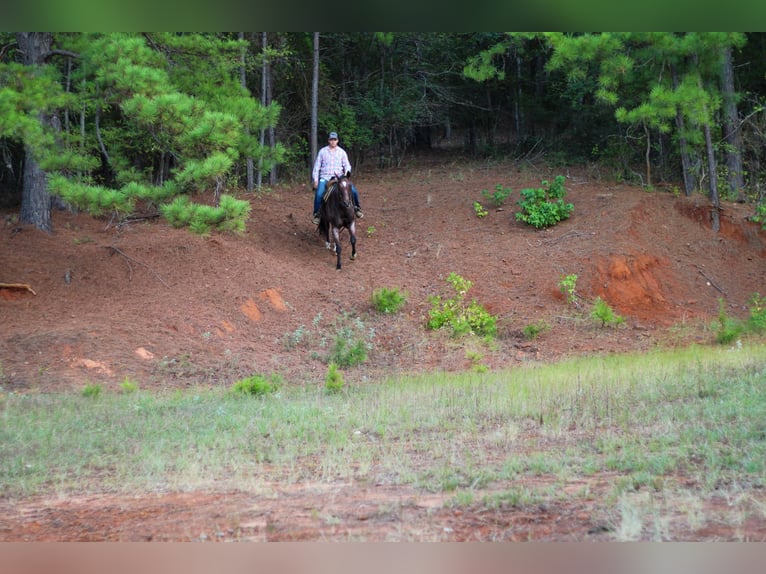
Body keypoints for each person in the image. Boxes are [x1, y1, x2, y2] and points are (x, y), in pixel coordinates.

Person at [311, 131, 363, 224]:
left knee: (353, 190)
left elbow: (347, 165)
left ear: (337, 141)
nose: (333, 141)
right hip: (325, 177)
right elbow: (316, 167)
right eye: (331, 139)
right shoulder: (322, 151)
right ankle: (317, 214)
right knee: (319, 194)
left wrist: (346, 175)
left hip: (340, 177)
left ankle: (357, 208)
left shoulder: (342, 152)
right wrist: (315, 180)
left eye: (334, 139)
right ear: (328, 140)